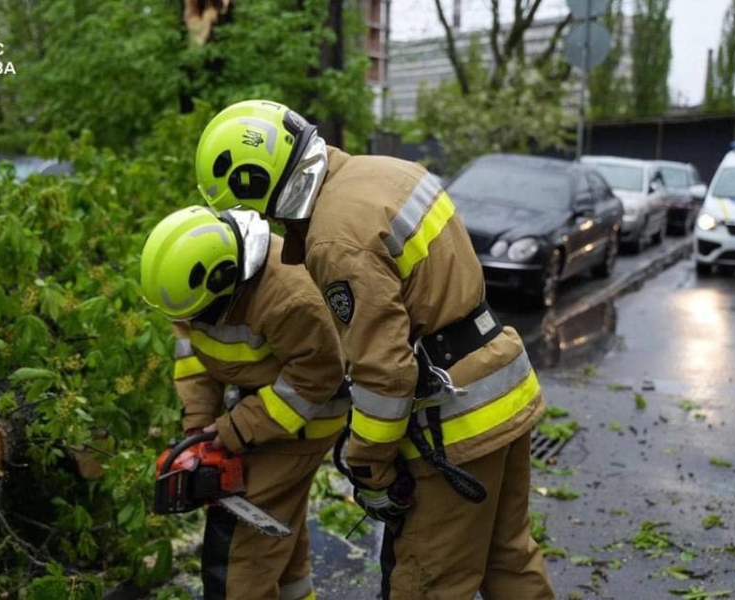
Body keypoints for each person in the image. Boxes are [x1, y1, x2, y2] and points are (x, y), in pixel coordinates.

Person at [193, 100, 556, 599]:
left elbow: (384, 374)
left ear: (261, 184)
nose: (270, 225)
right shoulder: (386, 171)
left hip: (455, 425)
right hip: (502, 390)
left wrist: (370, 469)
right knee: (510, 559)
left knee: (427, 583)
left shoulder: (333, 238)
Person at [139, 205, 348, 600]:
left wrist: (236, 429)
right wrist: (199, 426)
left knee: (238, 560)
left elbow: (317, 378)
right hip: (253, 405)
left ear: (225, 278)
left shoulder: (289, 297)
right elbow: (193, 357)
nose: (191, 323)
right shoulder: (192, 290)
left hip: (306, 417)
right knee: (279, 539)